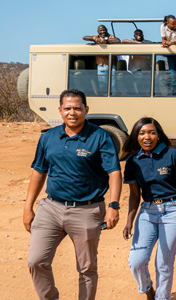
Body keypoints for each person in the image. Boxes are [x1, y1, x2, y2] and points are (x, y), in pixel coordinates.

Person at [24, 89, 122, 300]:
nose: (72, 112)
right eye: (67, 108)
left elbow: (114, 172)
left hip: (87, 209)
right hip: (51, 208)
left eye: (77, 108)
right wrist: (27, 207)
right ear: (60, 111)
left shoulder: (100, 137)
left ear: (86, 110)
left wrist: (113, 205)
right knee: (36, 261)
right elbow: (39, 171)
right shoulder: (48, 137)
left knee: (87, 269)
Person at [121, 117, 176, 300]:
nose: (147, 137)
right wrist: (129, 221)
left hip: (175, 210)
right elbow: (134, 195)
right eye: (142, 133)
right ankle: (148, 291)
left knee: (163, 263)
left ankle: (162, 298)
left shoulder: (172, 155)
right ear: (136, 137)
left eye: (152, 132)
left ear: (159, 135)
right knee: (136, 261)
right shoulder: (132, 161)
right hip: (147, 211)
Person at [82, 25, 120, 93]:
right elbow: (84, 37)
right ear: (98, 31)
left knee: (113, 85)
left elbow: (117, 40)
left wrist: (105, 40)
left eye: (104, 30)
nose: (102, 32)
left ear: (106, 30)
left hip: (112, 65)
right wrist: (95, 39)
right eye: (101, 31)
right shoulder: (96, 37)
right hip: (101, 66)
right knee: (102, 85)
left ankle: (114, 98)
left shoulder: (110, 36)